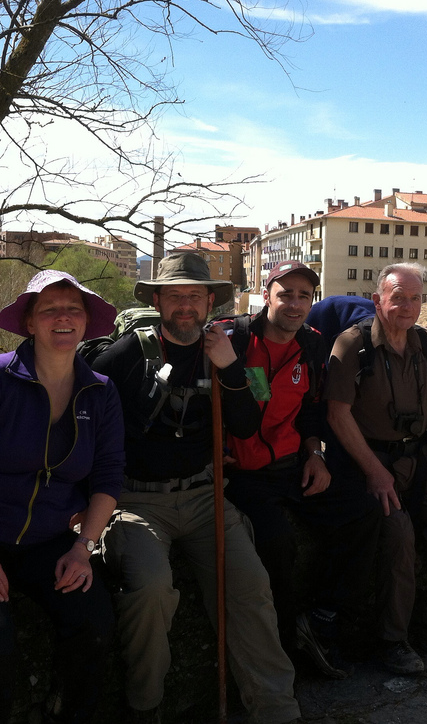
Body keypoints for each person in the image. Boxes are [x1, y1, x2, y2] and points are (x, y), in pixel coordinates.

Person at [90, 253, 300, 724]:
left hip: (206, 497)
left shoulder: (230, 351)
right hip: (136, 500)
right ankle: (146, 707)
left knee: (252, 586)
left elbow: (248, 425)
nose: (185, 306)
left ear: (210, 301)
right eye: (175, 296)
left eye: (194, 296)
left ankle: (277, 711)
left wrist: (228, 367)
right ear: (159, 301)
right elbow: (80, 416)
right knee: (148, 590)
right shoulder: (127, 355)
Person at [0, 270, 124, 723]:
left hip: (45, 540)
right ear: (30, 322)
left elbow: (109, 478)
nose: (63, 317)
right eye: (49, 309)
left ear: (87, 321)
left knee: (94, 622)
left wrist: (81, 547)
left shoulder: (100, 392)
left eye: (73, 309)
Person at [220, 260, 380, 679]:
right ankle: (287, 647)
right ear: (266, 294)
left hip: (293, 465)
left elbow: (311, 412)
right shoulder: (234, 339)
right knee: (277, 544)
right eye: (285, 294)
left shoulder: (310, 345)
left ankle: (325, 614)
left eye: (303, 296)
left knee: (363, 512)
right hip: (246, 474)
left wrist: (315, 454)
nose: (294, 304)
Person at [325, 263, 427, 675]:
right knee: (398, 534)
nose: (408, 306)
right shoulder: (351, 345)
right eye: (399, 298)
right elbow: (338, 416)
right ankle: (393, 640)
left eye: (415, 298)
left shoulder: (425, 345)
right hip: (368, 466)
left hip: (420, 462)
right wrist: (375, 473)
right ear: (378, 301)